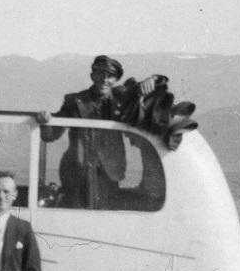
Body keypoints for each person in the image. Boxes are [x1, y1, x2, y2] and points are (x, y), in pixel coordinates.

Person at [36, 55, 159, 209]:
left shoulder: (122, 96)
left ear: (116, 80)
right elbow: (50, 135)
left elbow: (148, 86)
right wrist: (46, 120)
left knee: (104, 217)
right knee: (74, 216)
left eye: (110, 76)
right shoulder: (74, 101)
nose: (105, 80)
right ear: (92, 76)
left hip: (109, 172)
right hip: (76, 172)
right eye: (100, 74)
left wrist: (153, 79)